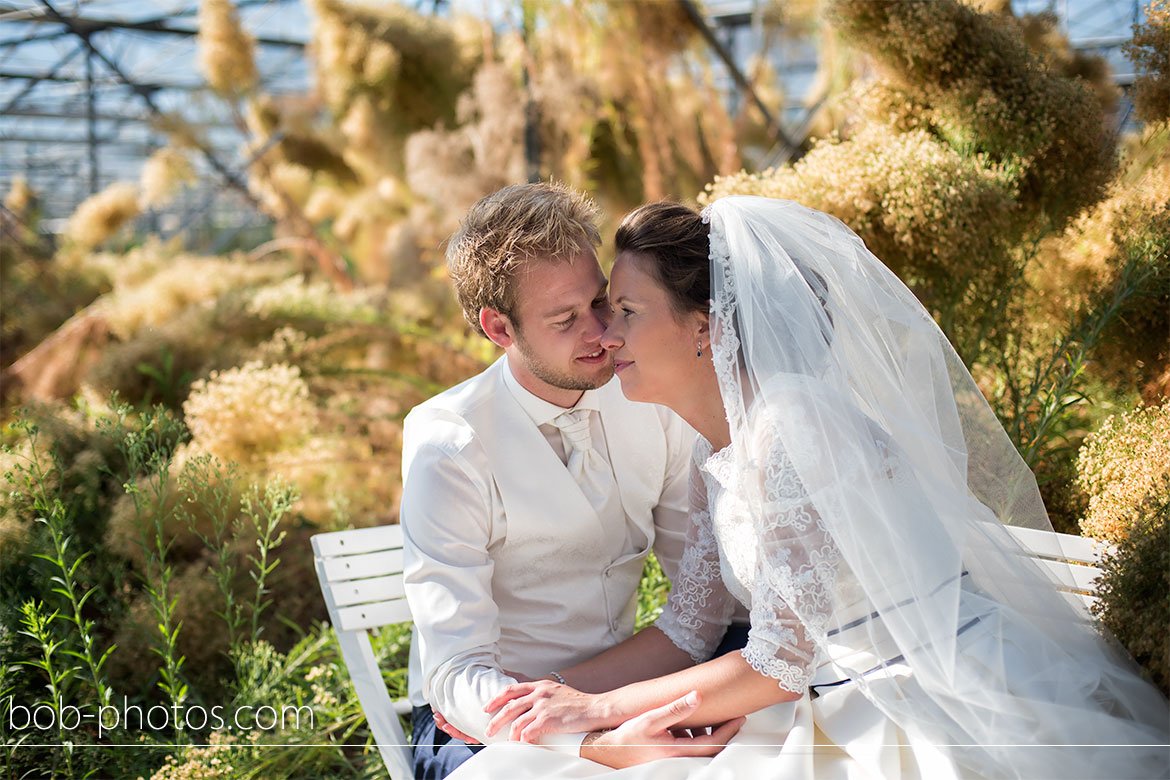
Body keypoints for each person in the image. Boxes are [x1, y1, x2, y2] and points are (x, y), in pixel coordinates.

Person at [447, 196, 1170, 779]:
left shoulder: (790, 425)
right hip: (823, 693)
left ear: (703, 329)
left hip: (917, 699)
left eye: (626, 311)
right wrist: (550, 700)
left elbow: (778, 663)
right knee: (526, 765)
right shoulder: (715, 443)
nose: (607, 336)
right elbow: (690, 626)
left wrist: (593, 709)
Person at [400, 183, 748, 779]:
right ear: (499, 328)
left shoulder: (649, 391)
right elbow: (456, 676)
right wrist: (585, 744)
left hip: (630, 690)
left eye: (603, 303)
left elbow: (698, 592)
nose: (602, 333)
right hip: (491, 727)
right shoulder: (450, 446)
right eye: (565, 319)